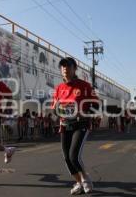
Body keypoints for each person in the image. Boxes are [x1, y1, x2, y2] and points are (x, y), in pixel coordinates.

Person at [52, 57, 99, 195]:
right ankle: (78, 182)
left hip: (80, 124)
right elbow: (55, 109)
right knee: (67, 158)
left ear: (74, 69)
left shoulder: (84, 86)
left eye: (68, 66)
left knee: (74, 156)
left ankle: (86, 180)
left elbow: (95, 106)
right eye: (63, 67)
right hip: (65, 125)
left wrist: (83, 113)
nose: (65, 69)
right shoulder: (59, 88)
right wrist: (56, 108)